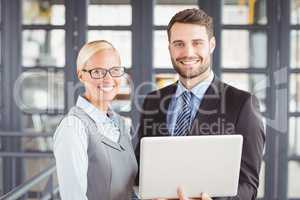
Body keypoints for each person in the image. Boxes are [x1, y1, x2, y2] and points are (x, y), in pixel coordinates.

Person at [135, 8, 265, 200]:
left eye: (197, 43)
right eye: (179, 44)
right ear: (170, 47)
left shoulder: (243, 104)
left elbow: (248, 185)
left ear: (211, 45)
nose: (188, 52)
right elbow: (143, 170)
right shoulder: (153, 101)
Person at [53, 40, 138, 200]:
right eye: (98, 72)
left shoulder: (119, 123)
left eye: (114, 70)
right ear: (81, 75)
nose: (108, 79)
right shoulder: (73, 127)